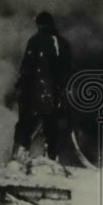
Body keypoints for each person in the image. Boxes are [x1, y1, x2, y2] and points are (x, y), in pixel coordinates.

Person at [13, 11, 72, 161]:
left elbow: (27, 68)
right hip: (56, 93)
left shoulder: (35, 41)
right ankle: (52, 158)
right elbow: (68, 69)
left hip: (35, 92)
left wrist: (20, 87)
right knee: (52, 128)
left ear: (39, 24)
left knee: (25, 125)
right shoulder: (64, 43)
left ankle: (19, 157)